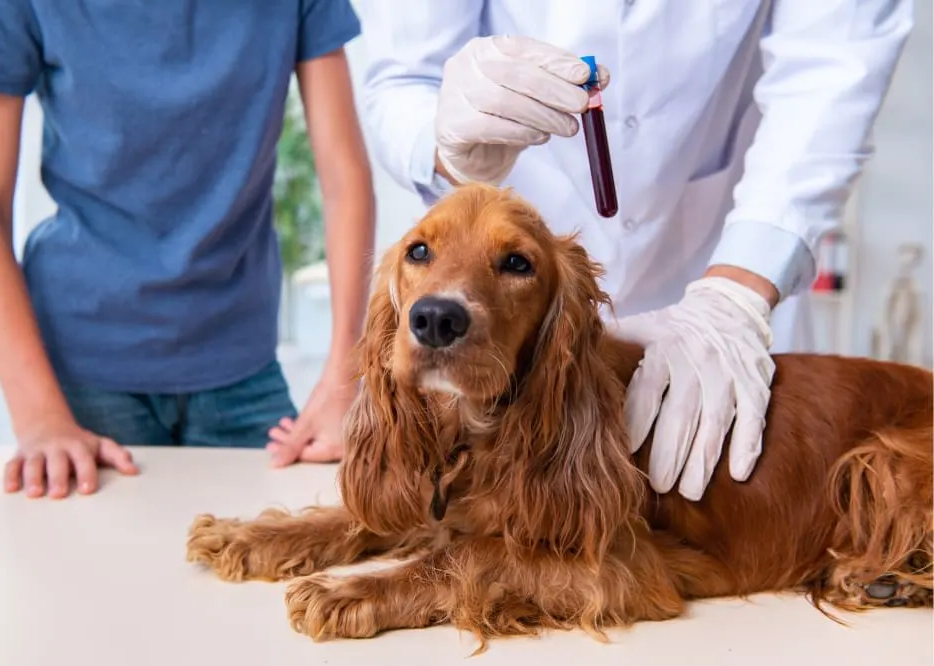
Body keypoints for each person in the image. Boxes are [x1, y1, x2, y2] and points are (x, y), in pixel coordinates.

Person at [354, 1, 912, 500]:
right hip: (508, 295)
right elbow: (403, 75)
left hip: (721, 261)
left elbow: (835, 63)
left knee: (744, 505)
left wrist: (736, 294)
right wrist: (444, 139)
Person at [0, 1, 375, 499]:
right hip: (82, 369)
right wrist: (40, 417)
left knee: (281, 556)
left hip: (243, 364)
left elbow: (344, 179)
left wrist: (347, 377)